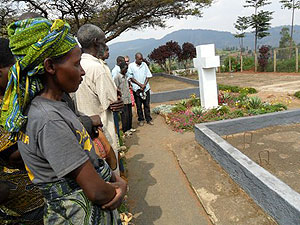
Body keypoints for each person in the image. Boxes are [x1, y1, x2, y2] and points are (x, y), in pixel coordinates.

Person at [1, 18, 126, 224]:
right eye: (76, 64)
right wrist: (121, 187)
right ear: (50, 66)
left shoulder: (55, 106)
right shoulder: (47, 119)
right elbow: (96, 192)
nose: (82, 71)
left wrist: (115, 179)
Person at [0, 37, 44, 225]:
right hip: (20, 208)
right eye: (15, 68)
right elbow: (14, 155)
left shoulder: (17, 97)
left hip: (38, 198)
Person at [75, 24, 124, 175]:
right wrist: (118, 100)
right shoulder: (98, 68)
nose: (105, 43)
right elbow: (111, 103)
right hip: (102, 131)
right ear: (96, 42)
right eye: (103, 40)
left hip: (83, 130)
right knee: (110, 174)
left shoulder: (76, 64)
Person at [128, 52, 153, 126]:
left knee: (146, 105)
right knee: (138, 106)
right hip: (137, 89)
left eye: (142, 59)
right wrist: (140, 85)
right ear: (136, 58)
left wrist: (144, 85)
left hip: (145, 89)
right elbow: (130, 77)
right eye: (139, 59)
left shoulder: (144, 65)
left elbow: (148, 75)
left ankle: (148, 119)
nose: (141, 60)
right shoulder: (131, 66)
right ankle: (141, 119)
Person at [114, 62, 136, 137]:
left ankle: (129, 128)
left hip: (128, 98)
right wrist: (118, 97)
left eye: (127, 69)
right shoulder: (117, 77)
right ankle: (125, 130)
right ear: (121, 68)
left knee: (129, 114)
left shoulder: (126, 76)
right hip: (123, 100)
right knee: (124, 116)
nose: (126, 70)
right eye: (125, 69)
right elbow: (115, 88)